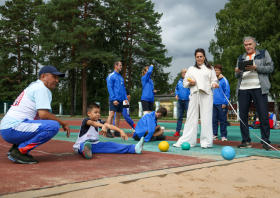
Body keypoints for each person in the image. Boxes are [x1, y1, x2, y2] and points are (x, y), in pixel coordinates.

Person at [0, 65, 70, 164]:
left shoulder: (34, 86)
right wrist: (63, 122)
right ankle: (20, 151)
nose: (57, 80)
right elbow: (44, 115)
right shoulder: (41, 88)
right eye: (54, 77)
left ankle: (15, 147)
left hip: (7, 128)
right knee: (53, 126)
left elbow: (43, 115)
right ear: (43, 76)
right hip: (12, 128)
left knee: (45, 122)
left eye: (57, 78)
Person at [173, 48, 219, 149]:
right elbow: (185, 83)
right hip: (194, 94)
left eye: (201, 56)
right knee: (190, 117)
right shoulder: (191, 69)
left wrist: (214, 84)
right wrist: (190, 83)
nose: (199, 58)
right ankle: (187, 141)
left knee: (206, 118)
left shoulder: (210, 68)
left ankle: (206, 142)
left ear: (204, 57)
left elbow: (213, 80)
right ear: (195, 57)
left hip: (206, 95)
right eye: (197, 57)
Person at [235, 36, 274, 150]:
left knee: (263, 114)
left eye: (250, 44)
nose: (248, 46)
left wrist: (256, 67)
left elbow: (271, 68)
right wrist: (237, 72)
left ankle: (265, 141)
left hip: (259, 88)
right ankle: (246, 141)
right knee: (243, 116)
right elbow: (237, 76)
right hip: (243, 88)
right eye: (246, 45)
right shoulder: (241, 57)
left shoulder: (263, 53)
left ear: (255, 44)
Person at [73, 103, 145, 159]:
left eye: (99, 112)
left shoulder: (99, 121)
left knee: (111, 144)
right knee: (84, 145)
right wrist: (103, 126)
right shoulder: (86, 120)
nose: (98, 114)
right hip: (81, 144)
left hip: (95, 145)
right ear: (89, 113)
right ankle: (85, 151)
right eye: (95, 112)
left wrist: (120, 130)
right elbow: (92, 123)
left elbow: (110, 126)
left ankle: (135, 148)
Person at [106, 61, 128, 138]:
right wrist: (113, 99)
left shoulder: (121, 77)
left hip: (121, 100)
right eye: (120, 65)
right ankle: (108, 131)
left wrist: (125, 98)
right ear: (115, 66)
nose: (121, 67)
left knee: (118, 115)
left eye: (121, 65)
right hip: (114, 99)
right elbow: (110, 88)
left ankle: (116, 131)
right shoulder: (111, 76)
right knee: (112, 114)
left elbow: (123, 89)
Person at [212, 64, 230, 141]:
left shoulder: (224, 80)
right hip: (213, 104)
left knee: (222, 120)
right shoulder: (212, 80)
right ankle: (214, 134)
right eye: (215, 70)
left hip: (221, 104)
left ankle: (223, 135)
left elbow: (227, 92)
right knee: (214, 120)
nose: (216, 71)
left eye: (218, 70)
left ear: (221, 71)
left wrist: (224, 102)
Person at [173, 68, 190, 137]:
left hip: (188, 101)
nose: (184, 73)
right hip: (180, 101)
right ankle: (177, 131)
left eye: (185, 72)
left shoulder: (189, 81)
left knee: (188, 117)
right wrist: (176, 94)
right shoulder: (179, 81)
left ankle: (188, 132)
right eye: (182, 72)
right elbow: (176, 89)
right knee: (180, 116)